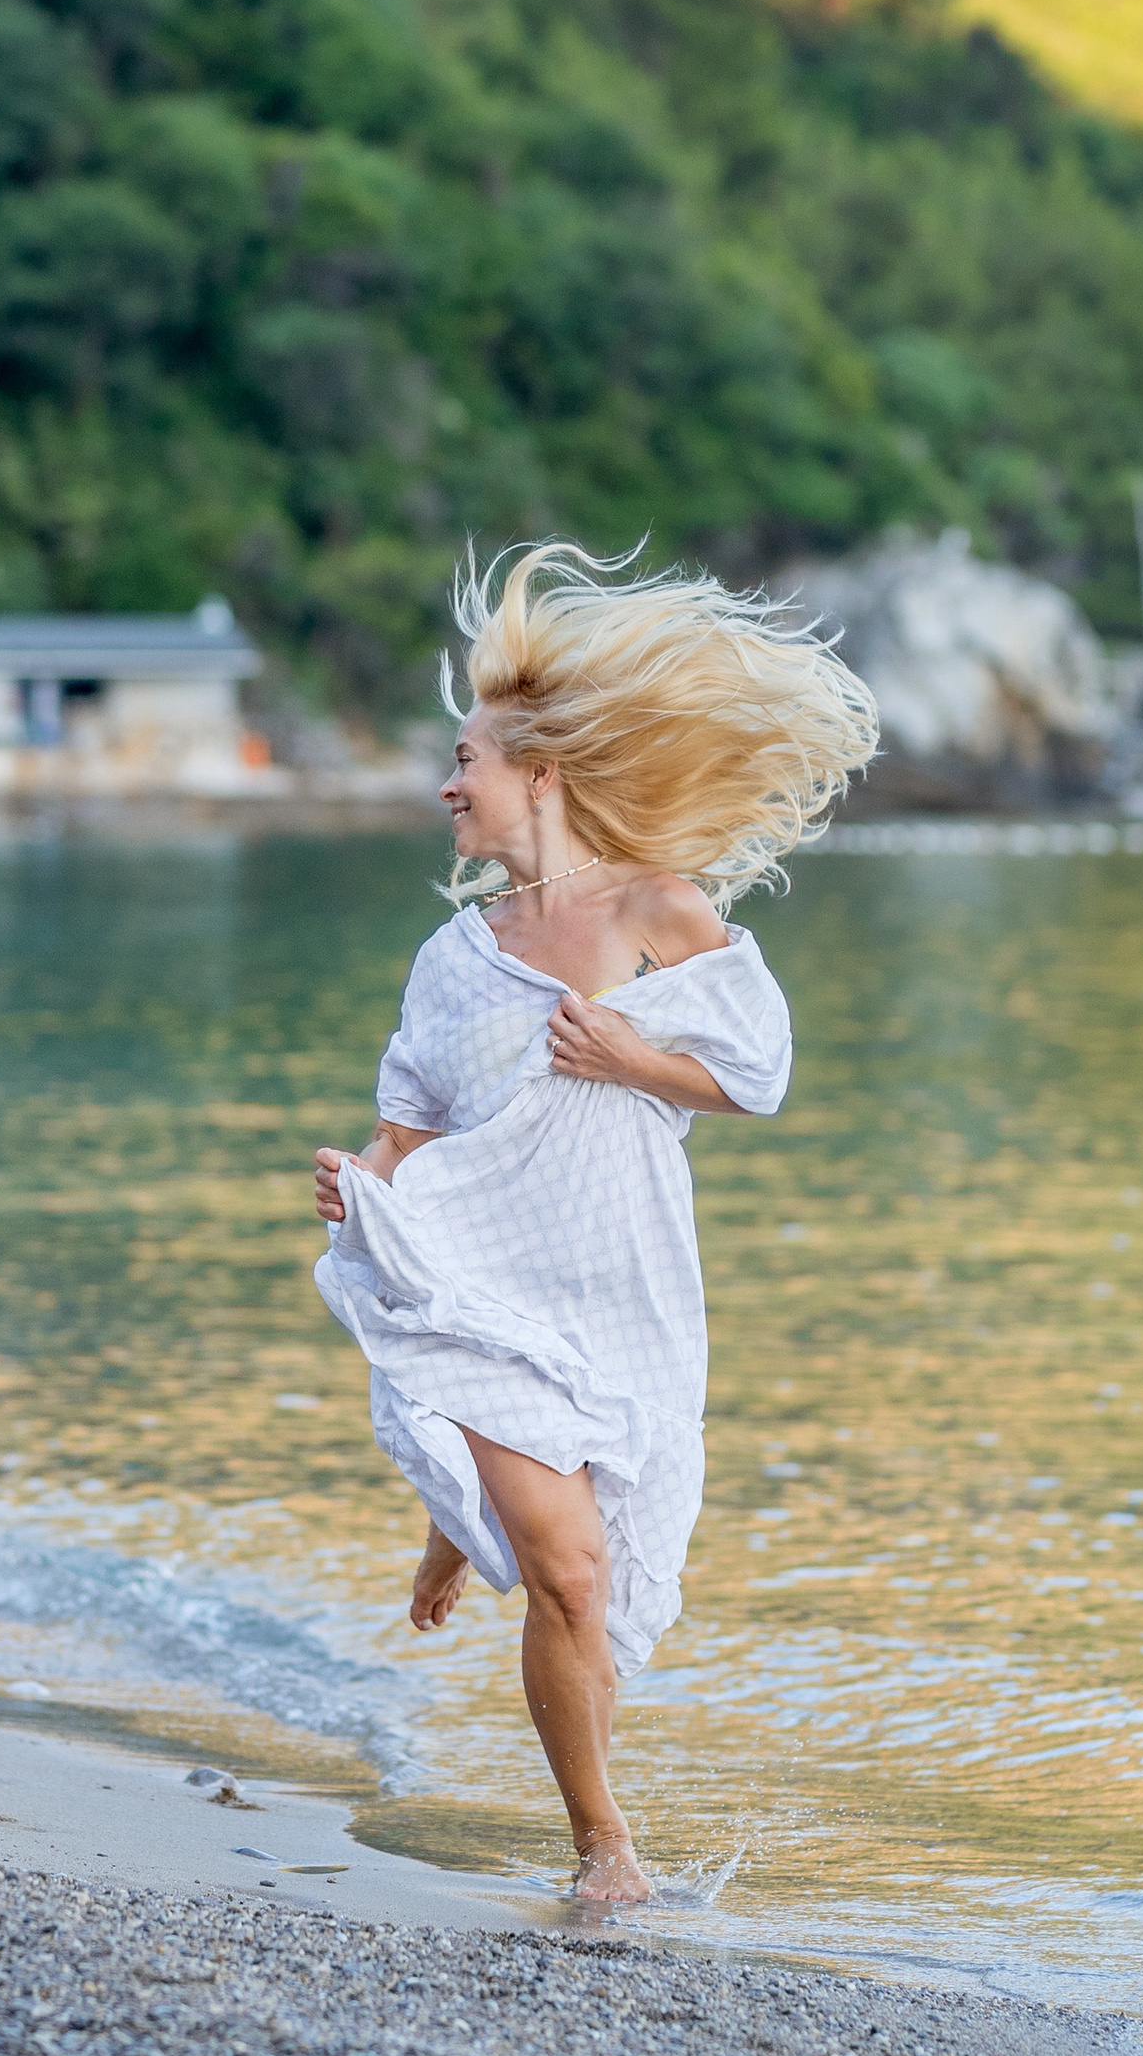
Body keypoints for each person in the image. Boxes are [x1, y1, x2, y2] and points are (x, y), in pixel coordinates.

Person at [313, 545, 875, 1904]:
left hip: (622, 1297)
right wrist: (362, 1176)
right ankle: (603, 1850)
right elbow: (411, 1125)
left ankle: (462, 1519)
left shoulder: (656, 909)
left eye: (469, 761)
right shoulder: (451, 962)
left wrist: (632, 1057)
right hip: (482, 1299)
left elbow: (756, 1072)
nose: (449, 785)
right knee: (567, 1573)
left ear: (541, 776)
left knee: (604, 1582)